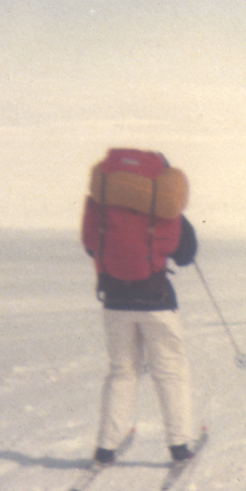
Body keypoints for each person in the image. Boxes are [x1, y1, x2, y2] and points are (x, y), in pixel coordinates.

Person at [80, 149, 199, 465]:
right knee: (170, 373)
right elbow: (186, 255)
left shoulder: (101, 205)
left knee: (122, 373)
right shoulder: (164, 206)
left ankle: (105, 448)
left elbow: (91, 245)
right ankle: (179, 446)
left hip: (115, 301)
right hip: (157, 300)